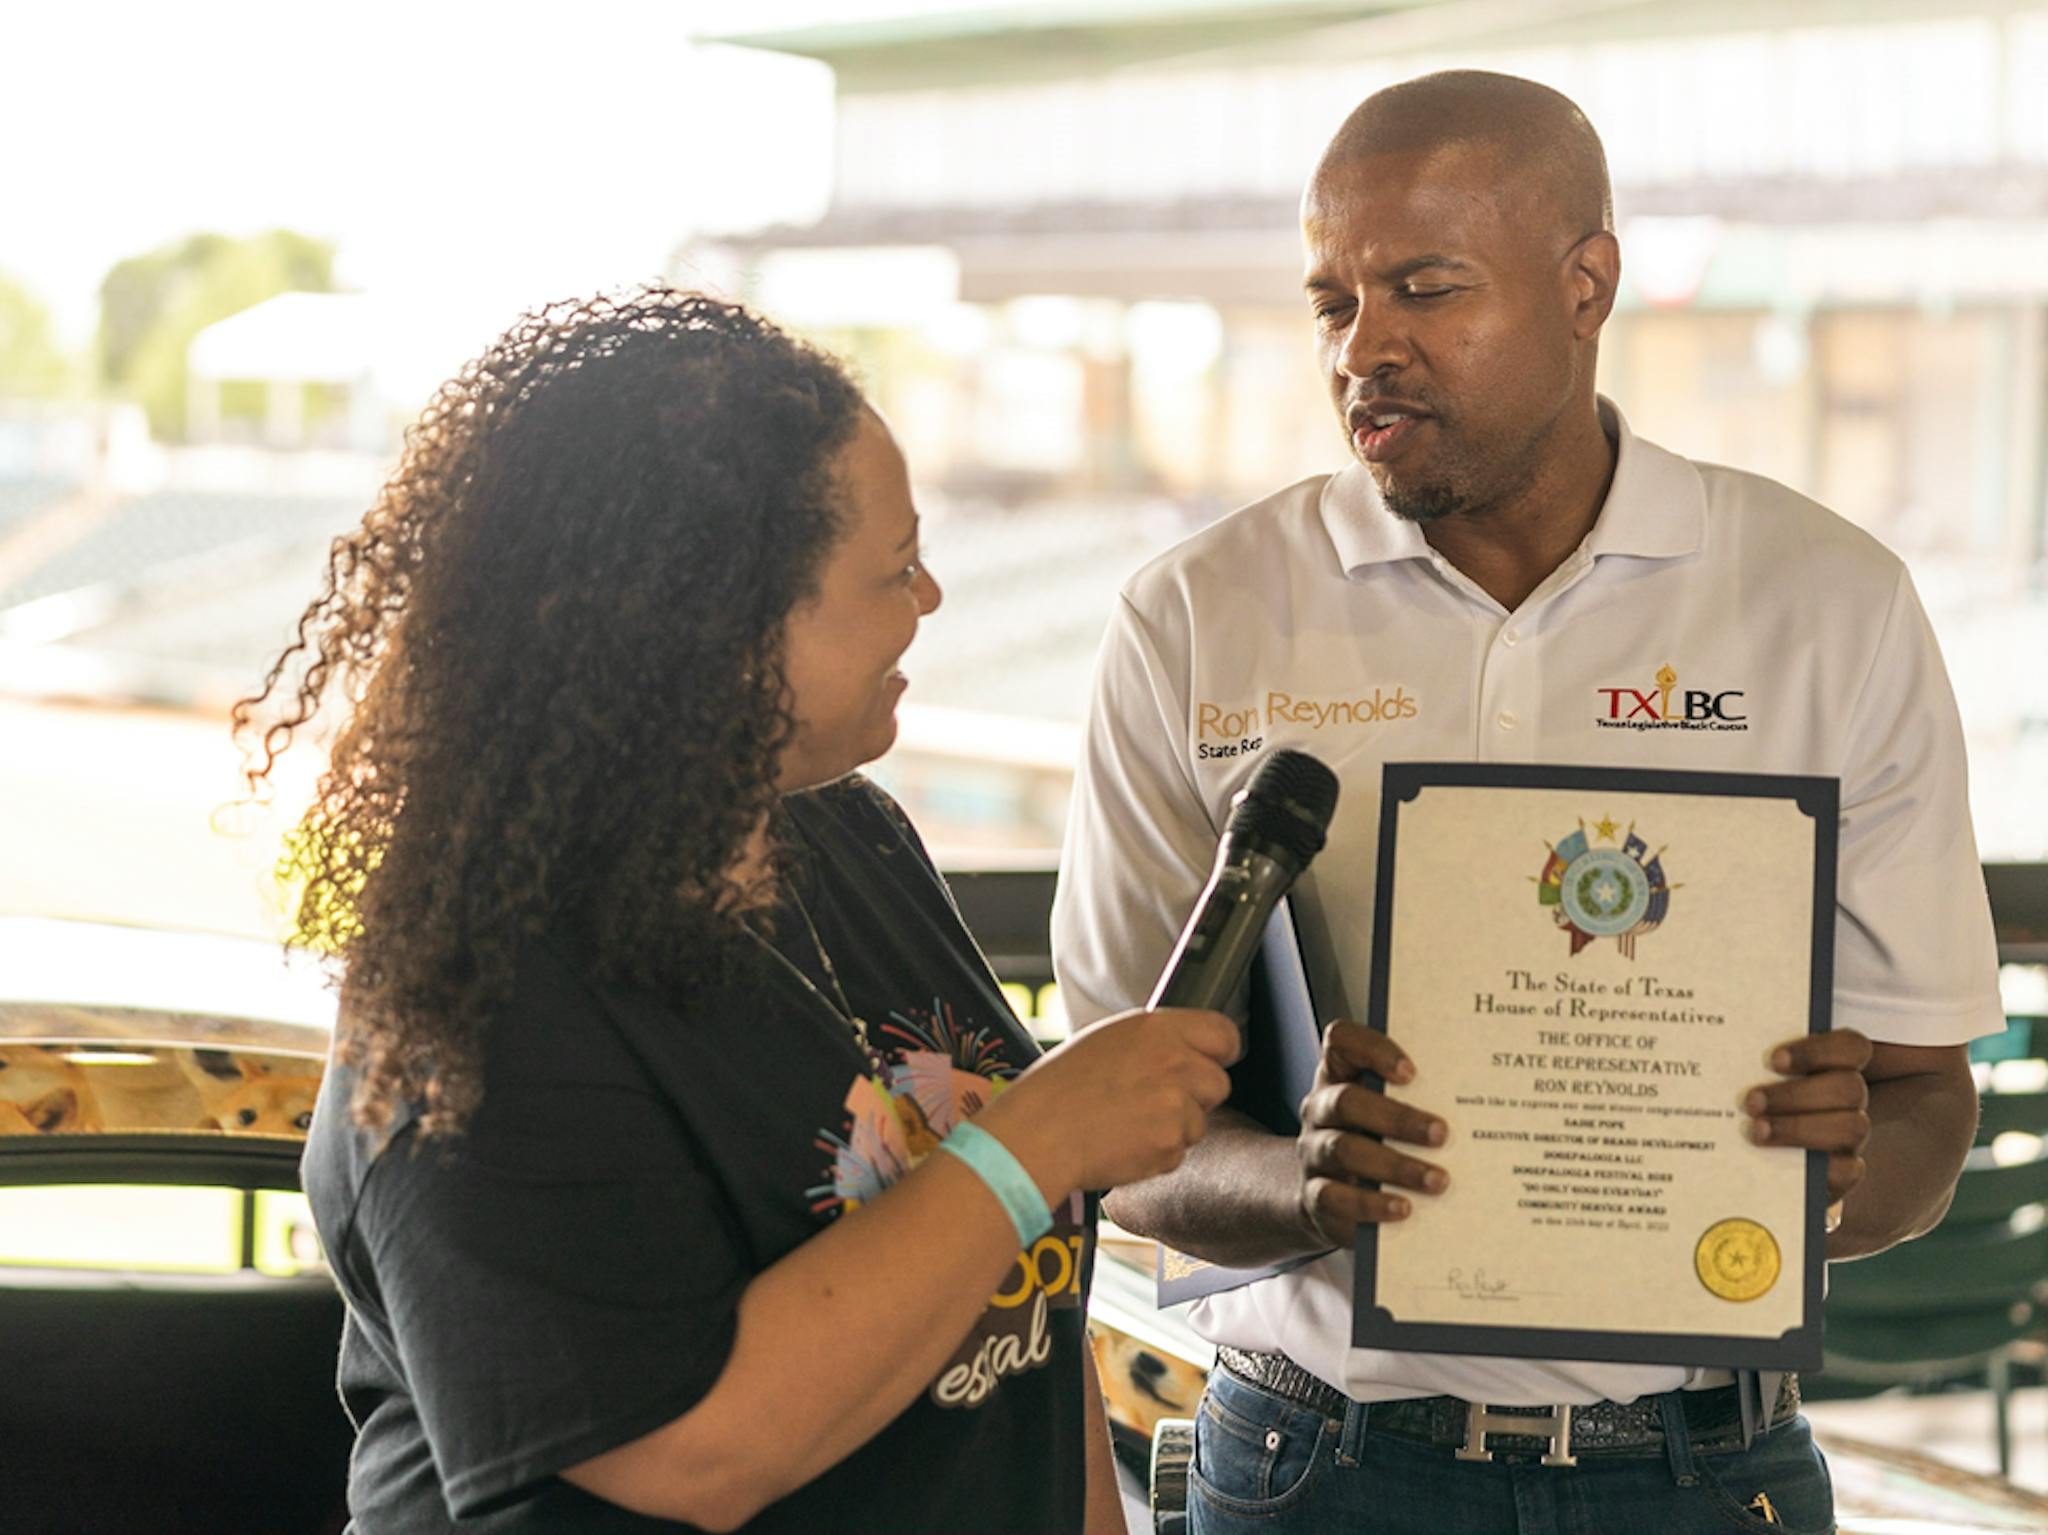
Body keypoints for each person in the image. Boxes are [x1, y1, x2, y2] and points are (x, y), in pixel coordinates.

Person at [1050, 71, 2002, 1535]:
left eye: (1424, 288)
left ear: (1585, 284)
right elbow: (1109, 1139)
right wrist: (1306, 1183)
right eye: (1332, 302)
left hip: (1709, 1466)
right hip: (1316, 1462)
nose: (1367, 346)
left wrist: (1842, 1178)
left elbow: (1927, 1101)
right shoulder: (1197, 615)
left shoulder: (1829, 603)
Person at [240, 289, 1239, 1533]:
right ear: (707, 627)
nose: (927, 595)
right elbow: (688, 1449)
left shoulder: (850, 835)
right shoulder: (480, 991)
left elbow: (1020, 1346)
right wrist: (1033, 1140)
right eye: (889, 568)